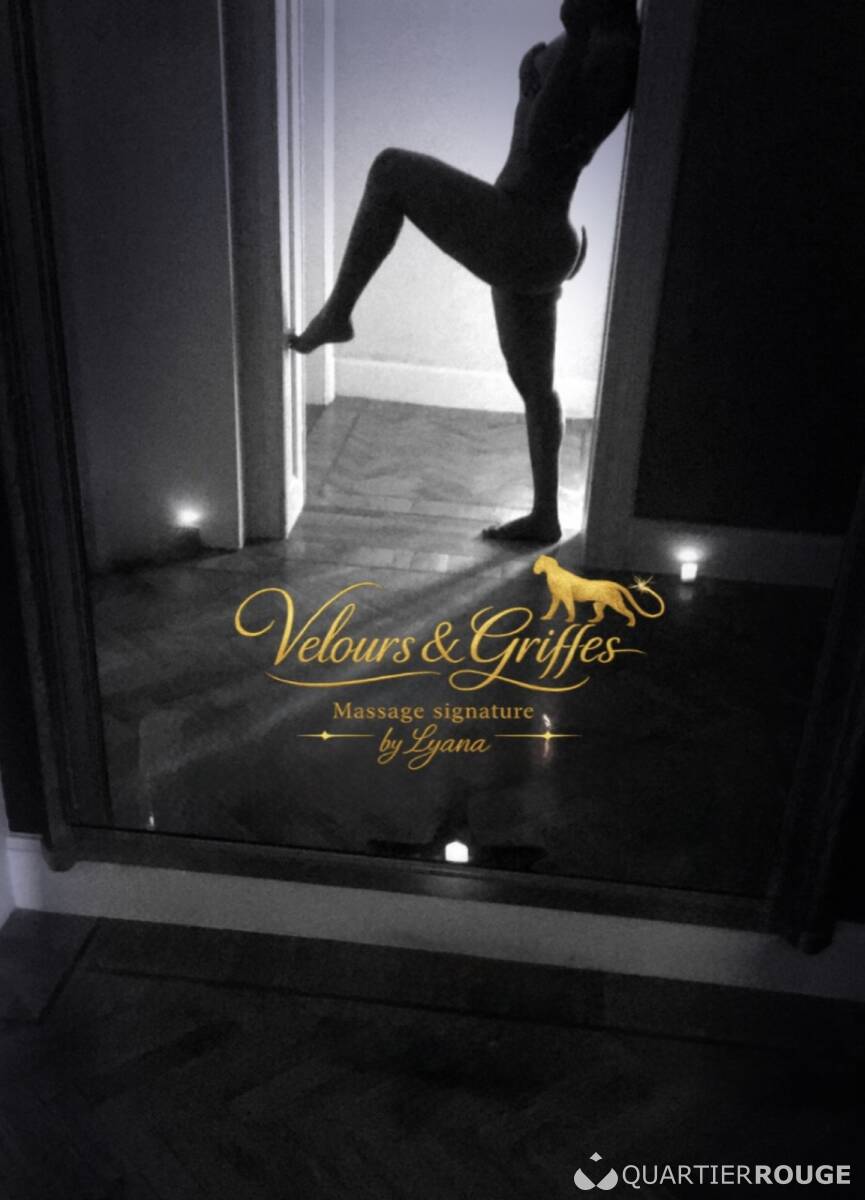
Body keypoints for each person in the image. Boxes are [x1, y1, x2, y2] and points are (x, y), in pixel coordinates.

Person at [288, 0, 640, 543]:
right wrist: (545, 60)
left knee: (390, 170)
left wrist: (571, 38)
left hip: (524, 229)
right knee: (535, 385)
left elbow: (545, 139)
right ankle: (546, 515)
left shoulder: (613, 48)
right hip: (529, 230)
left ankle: (338, 313)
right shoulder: (599, 35)